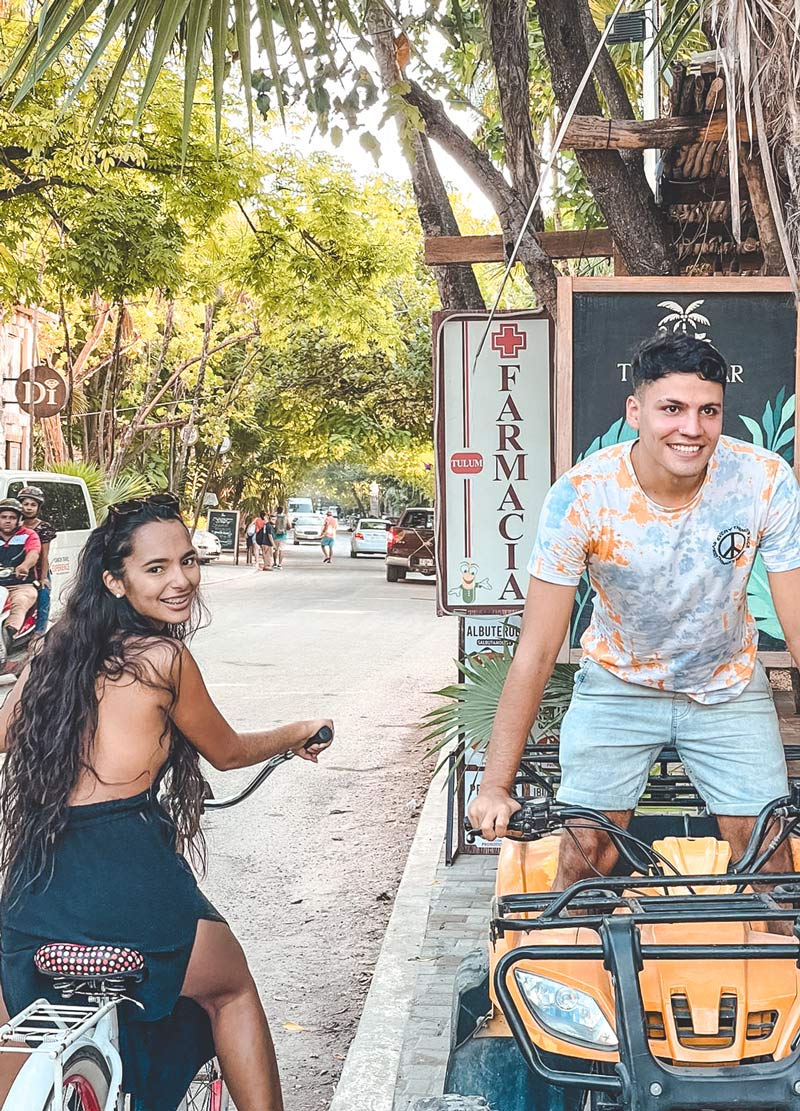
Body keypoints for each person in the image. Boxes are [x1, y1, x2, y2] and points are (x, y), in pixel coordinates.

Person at [0, 492, 333, 1109]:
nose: (181, 580)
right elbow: (227, 752)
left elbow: (3, 735)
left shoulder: (49, 654)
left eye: (187, 560)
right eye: (156, 568)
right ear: (115, 581)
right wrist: (296, 733)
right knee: (229, 990)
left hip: (36, 884)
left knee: (15, 1040)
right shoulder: (163, 659)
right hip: (130, 877)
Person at [468, 331, 800, 904]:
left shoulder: (764, 480)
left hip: (726, 685)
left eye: (707, 411)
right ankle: (574, 983)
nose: (690, 429)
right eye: (671, 409)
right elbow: (539, 648)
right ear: (636, 411)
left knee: (770, 860)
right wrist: (495, 784)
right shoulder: (582, 496)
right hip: (617, 684)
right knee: (585, 857)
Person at [0, 498, 41, 651]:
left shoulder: (29, 535)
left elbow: (33, 553)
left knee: (20, 601)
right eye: (4, 517)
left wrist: (24, 566)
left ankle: (8, 636)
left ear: (19, 519)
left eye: (12, 517)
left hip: (21, 585)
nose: (8, 521)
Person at [18, 485, 57, 634]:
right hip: (20, 569)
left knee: (43, 598)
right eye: (25, 504)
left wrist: (43, 578)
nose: (28, 508)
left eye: (33, 505)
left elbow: (44, 555)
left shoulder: (43, 528)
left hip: (39, 569)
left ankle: (39, 634)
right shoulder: (15, 525)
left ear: (38, 507)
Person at [272, 505, 290, 569]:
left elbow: (272, 525)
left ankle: (274, 563)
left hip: (275, 535)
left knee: (275, 549)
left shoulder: (274, 517)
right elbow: (289, 527)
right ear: (282, 510)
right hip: (283, 535)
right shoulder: (285, 517)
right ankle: (280, 564)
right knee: (281, 550)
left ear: (277, 510)